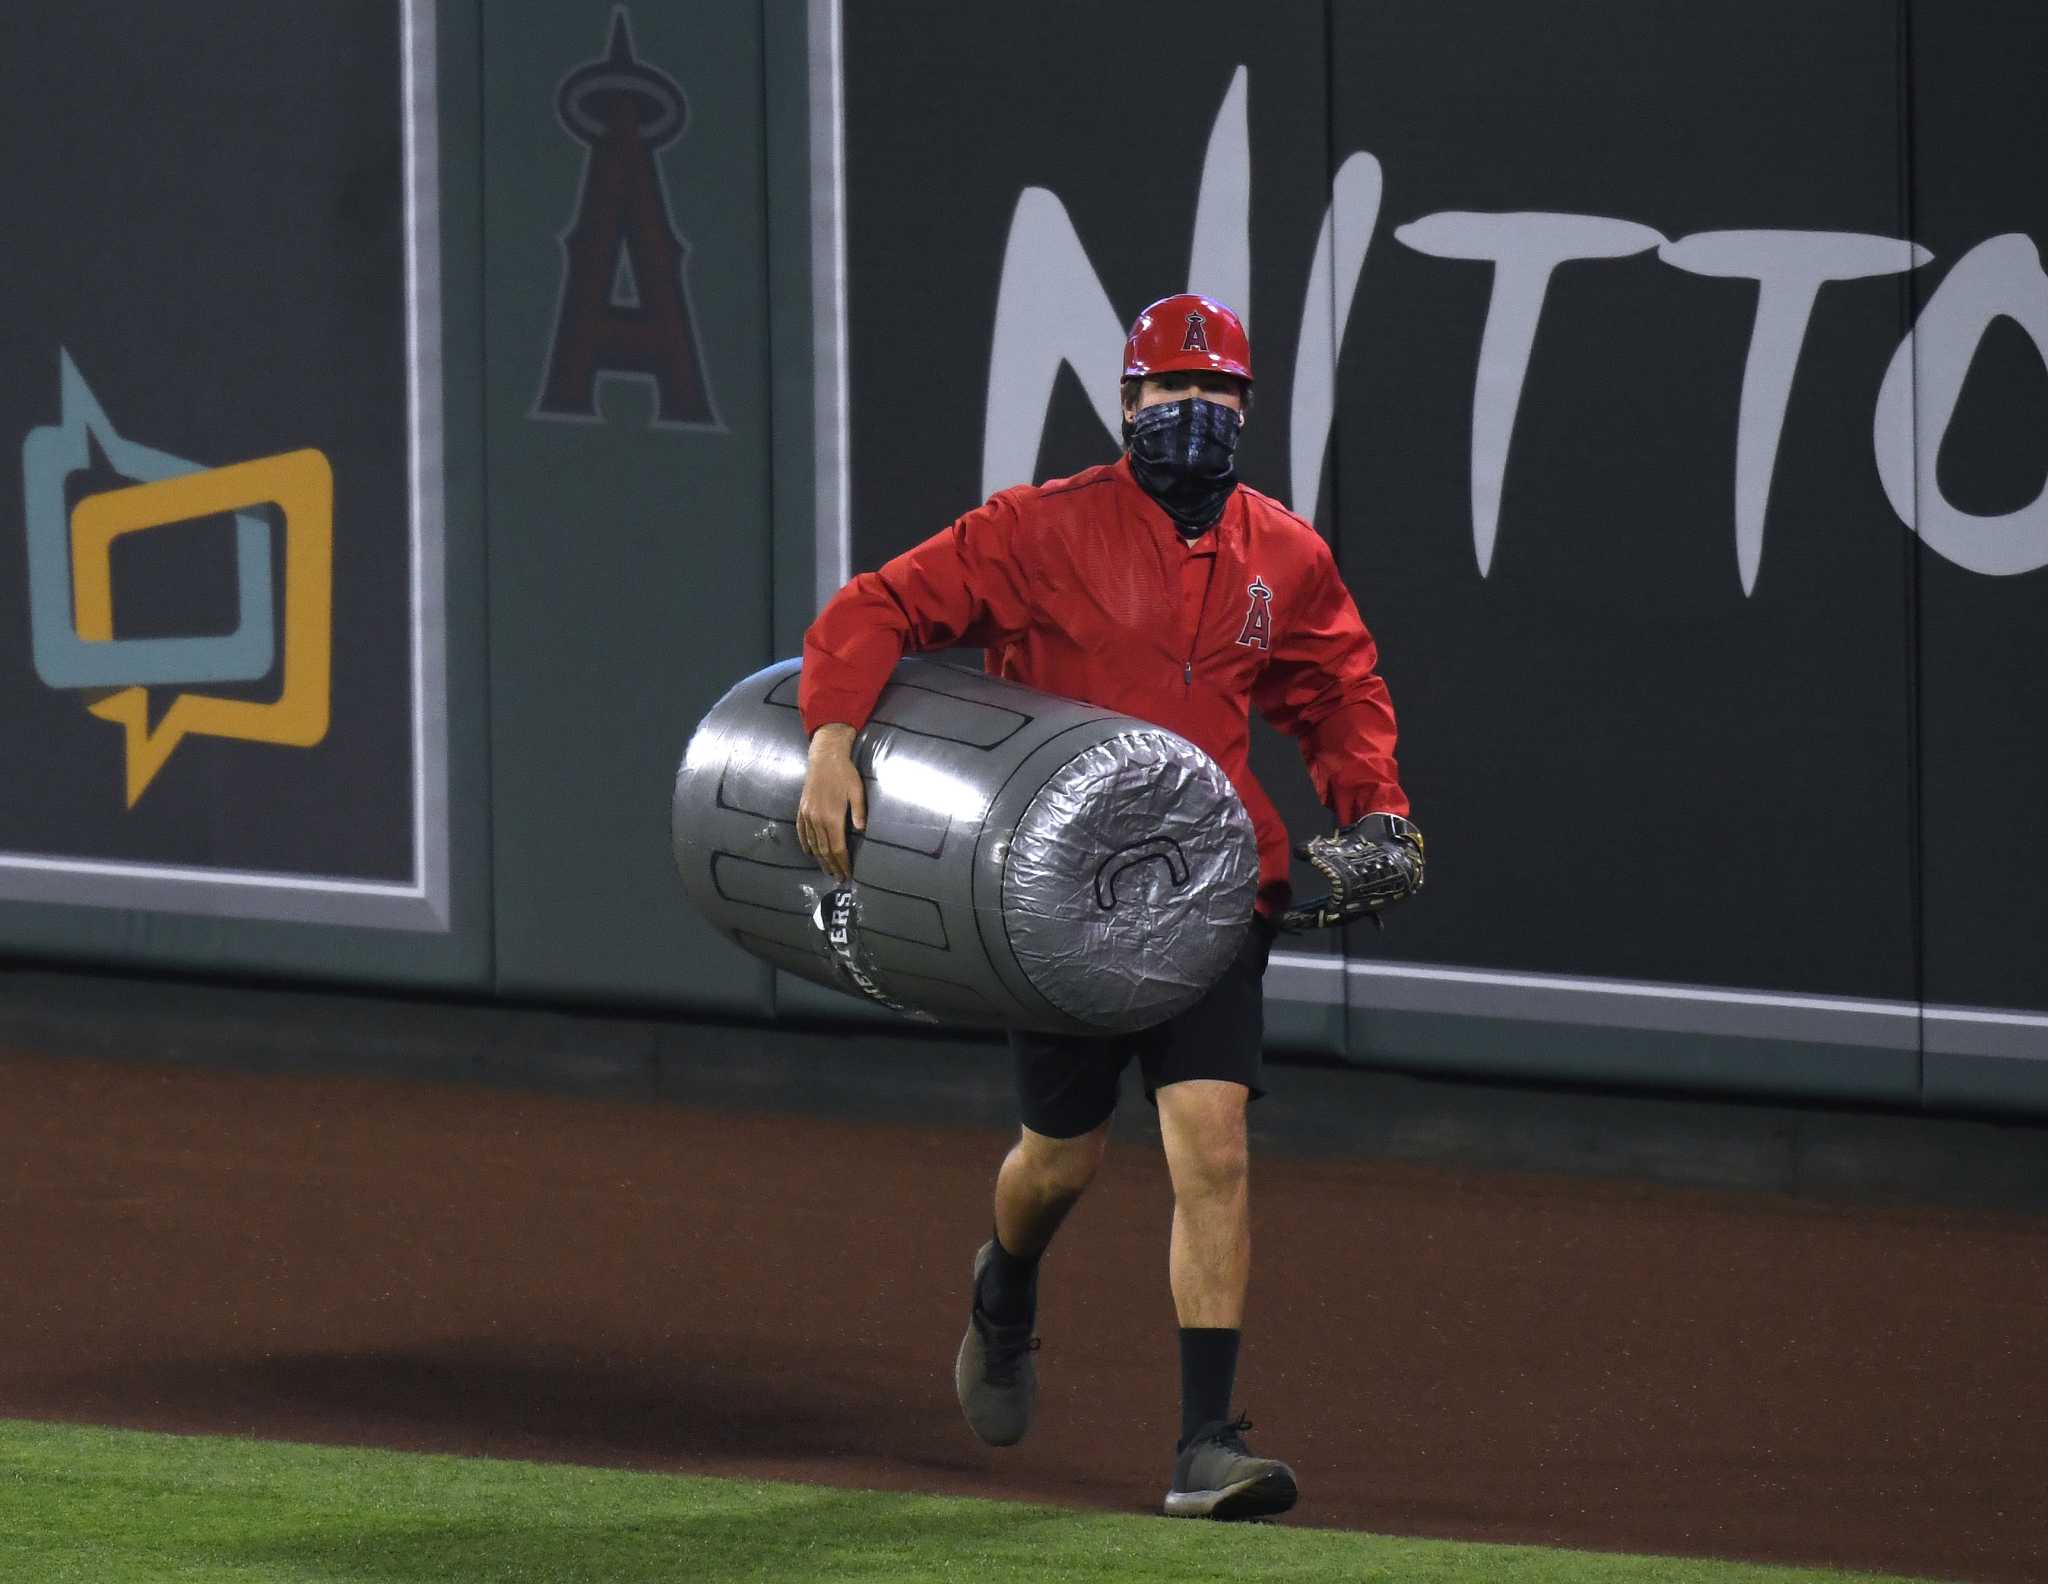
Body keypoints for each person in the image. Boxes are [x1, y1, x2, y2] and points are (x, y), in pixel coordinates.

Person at [795, 293, 1421, 1520]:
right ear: (1125, 405)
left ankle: (1204, 1446)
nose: (1195, 410)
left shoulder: (1280, 552)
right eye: (1169, 391)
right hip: (1060, 901)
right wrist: (829, 735)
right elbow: (879, 606)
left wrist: (1378, 809)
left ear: (1246, 408)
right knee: (1058, 1162)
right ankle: (1005, 1285)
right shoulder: (1037, 530)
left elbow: (1338, 686)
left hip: (1212, 885)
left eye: (1219, 393)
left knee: (1212, 1144)